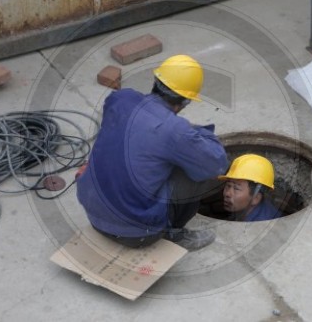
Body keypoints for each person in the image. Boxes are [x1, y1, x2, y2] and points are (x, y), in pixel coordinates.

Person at [76, 54, 228, 251]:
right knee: (198, 169)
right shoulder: (175, 130)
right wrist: (194, 133)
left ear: (156, 81)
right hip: (137, 234)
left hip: (93, 212)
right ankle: (172, 233)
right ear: (186, 102)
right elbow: (216, 163)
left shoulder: (119, 99)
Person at [218, 154, 282, 222]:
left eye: (236, 188)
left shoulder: (260, 225)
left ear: (255, 198)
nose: (227, 194)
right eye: (228, 185)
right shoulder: (246, 209)